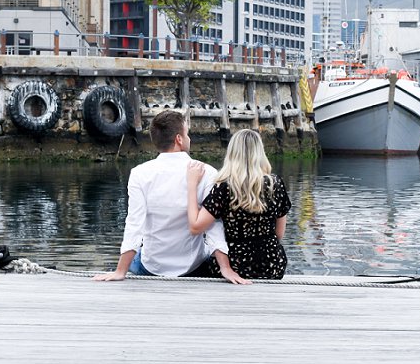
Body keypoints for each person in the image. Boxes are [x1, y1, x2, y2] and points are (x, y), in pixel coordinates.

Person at [94, 110, 249, 284]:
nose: (189, 138)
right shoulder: (207, 173)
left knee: (137, 255)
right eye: (187, 134)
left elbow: (134, 224)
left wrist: (120, 271)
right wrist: (225, 268)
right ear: (179, 139)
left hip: (152, 267)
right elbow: (213, 225)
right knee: (207, 248)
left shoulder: (139, 174)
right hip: (193, 267)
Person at [186, 129, 291, 280]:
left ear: (232, 153)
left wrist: (192, 184)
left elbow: (195, 226)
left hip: (235, 266)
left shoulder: (224, 187)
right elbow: (279, 234)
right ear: (260, 153)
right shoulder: (275, 184)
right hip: (272, 265)